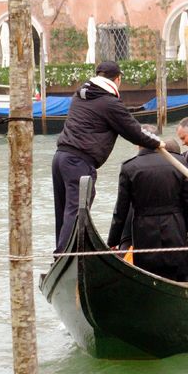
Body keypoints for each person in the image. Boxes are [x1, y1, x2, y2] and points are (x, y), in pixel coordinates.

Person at [52, 60, 162, 252]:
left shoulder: (80, 95)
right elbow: (133, 131)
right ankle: (66, 257)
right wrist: (159, 143)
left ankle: (61, 255)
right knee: (76, 211)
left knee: (64, 211)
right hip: (78, 161)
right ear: (117, 79)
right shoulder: (109, 103)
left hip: (60, 157)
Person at [108, 126, 188, 280]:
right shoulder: (179, 162)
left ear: (138, 142)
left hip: (144, 228)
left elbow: (121, 209)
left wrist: (113, 241)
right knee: (178, 268)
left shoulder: (129, 167)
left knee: (148, 272)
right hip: (175, 224)